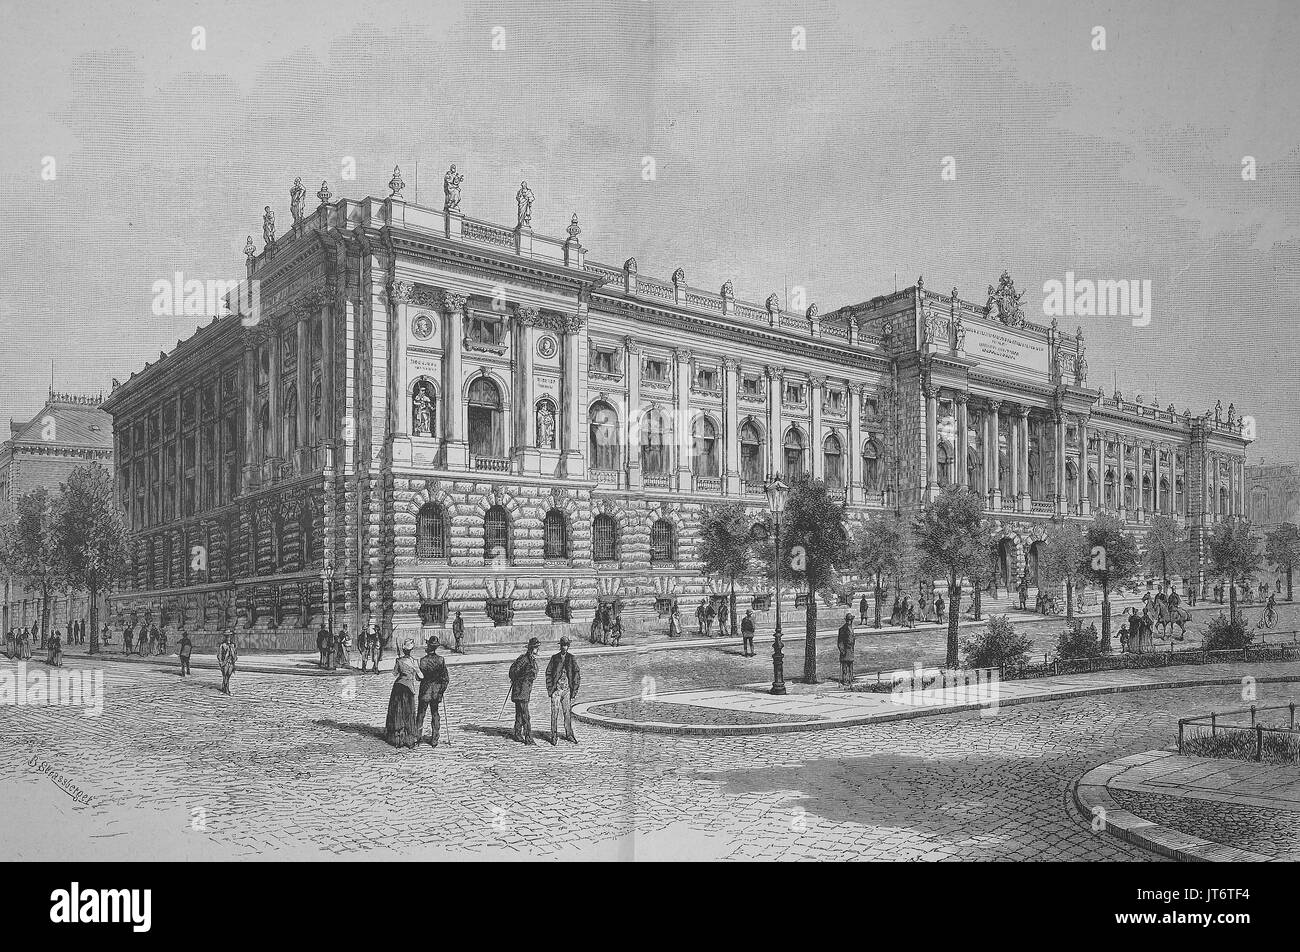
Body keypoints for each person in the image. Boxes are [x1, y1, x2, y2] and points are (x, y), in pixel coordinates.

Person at [384, 639, 423, 748]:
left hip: (398, 687)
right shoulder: (415, 662)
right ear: (411, 650)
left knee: (397, 711)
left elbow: (394, 673)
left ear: (403, 649)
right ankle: (408, 738)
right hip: (409, 688)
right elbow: (420, 677)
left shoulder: (399, 661)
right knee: (408, 712)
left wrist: (400, 663)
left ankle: (397, 738)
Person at [545, 636, 581, 745]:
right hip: (556, 690)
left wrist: (574, 690)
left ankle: (569, 734)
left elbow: (577, 674)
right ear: (560, 646)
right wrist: (550, 689)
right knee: (554, 713)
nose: (564, 647)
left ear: (568, 646)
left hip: (567, 691)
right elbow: (548, 673)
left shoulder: (571, 658)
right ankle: (554, 735)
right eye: (562, 645)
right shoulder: (554, 658)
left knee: (567, 714)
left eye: (566, 645)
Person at [417, 637, 449, 747]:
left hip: (425, 691)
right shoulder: (441, 660)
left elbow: (419, 678)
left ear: (428, 647)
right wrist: (441, 690)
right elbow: (445, 678)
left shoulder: (422, 661)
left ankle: (417, 737)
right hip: (436, 692)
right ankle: (435, 739)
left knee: (421, 714)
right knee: (435, 713)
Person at [508, 638, 541, 745]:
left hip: (525, 691)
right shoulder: (524, 659)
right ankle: (528, 738)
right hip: (521, 691)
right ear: (532, 648)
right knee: (525, 715)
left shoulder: (531, 659)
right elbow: (513, 671)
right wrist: (518, 679)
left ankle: (517, 734)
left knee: (519, 714)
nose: (537, 649)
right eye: (536, 647)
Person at [217, 631, 238, 695]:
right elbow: (219, 654)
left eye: (229, 637)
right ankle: (227, 689)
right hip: (225, 663)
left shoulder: (233, 645)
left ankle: (224, 687)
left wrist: (235, 658)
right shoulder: (222, 645)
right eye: (227, 637)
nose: (228, 638)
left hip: (231, 663)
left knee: (228, 676)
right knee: (225, 676)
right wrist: (221, 662)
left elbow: (235, 653)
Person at [837, 613, 856, 686]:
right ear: (846, 620)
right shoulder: (842, 629)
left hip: (850, 650)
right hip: (845, 651)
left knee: (850, 666)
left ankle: (850, 679)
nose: (849, 621)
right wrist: (842, 651)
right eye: (848, 620)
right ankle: (844, 680)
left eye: (850, 620)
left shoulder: (851, 628)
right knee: (844, 666)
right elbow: (840, 641)